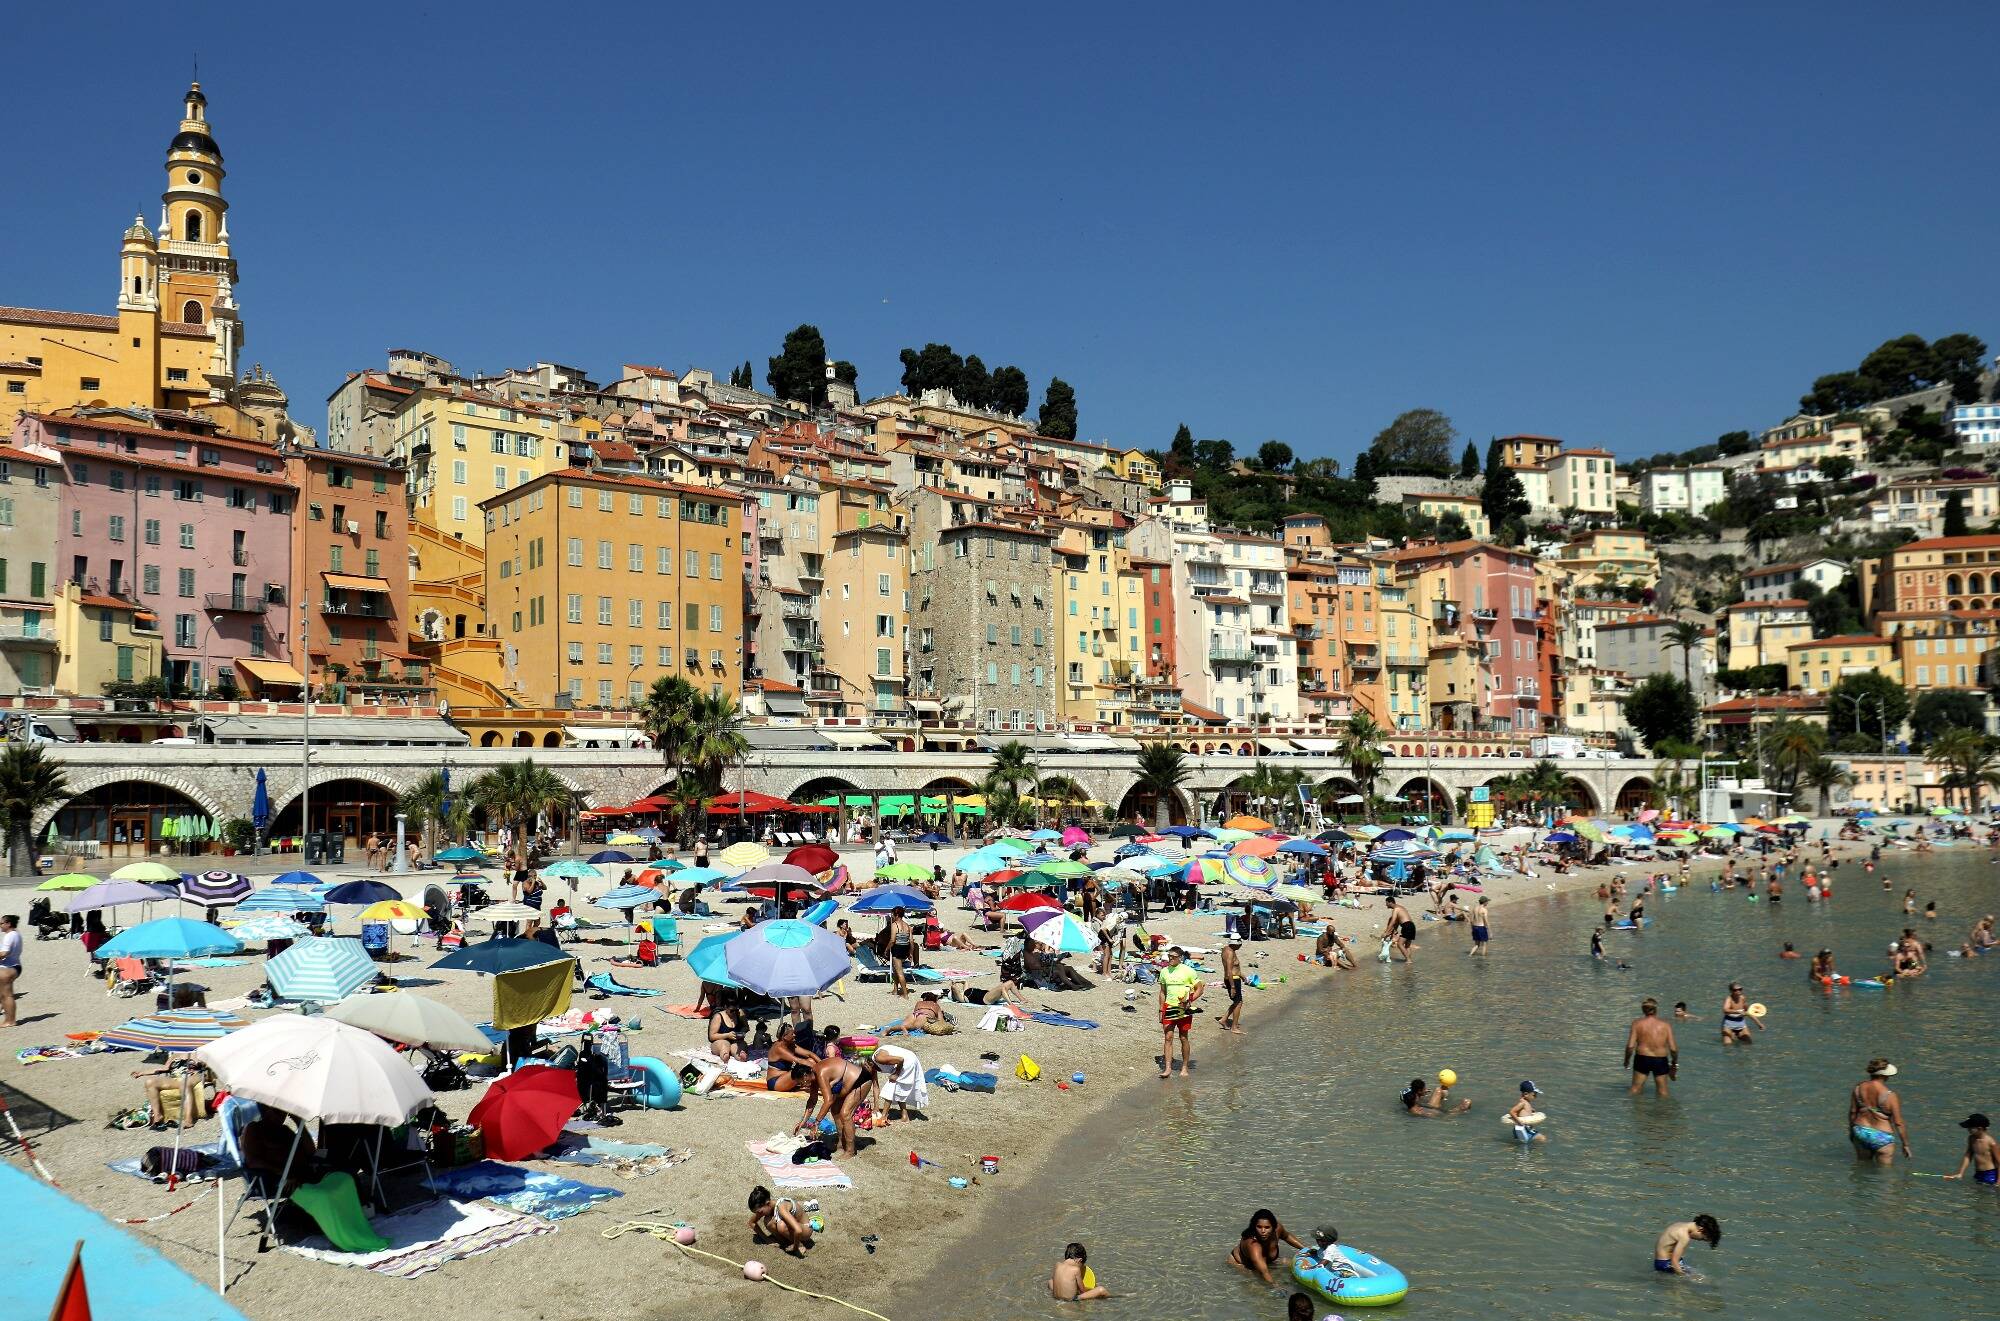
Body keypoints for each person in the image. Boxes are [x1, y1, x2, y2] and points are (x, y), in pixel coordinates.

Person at [1848, 1058, 1912, 1165]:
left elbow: (1853, 1112)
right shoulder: (1890, 1096)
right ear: (1884, 1075)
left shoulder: (1858, 1088)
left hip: (1860, 1132)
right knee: (1885, 1173)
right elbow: (1898, 1123)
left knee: (1863, 1166)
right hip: (1882, 1137)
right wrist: (1905, 1145)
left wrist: (1852, 1132)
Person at [1156, 945, 1203, 1079]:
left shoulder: (1188, 971)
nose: (1170, 959)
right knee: (1168, 1037)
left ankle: (1184, 1067)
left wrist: (1190, 1000)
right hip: (1169, 1007)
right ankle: (1168, 1068)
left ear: (1180, 958)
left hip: (1184, 1008)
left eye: (1174, 957)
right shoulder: (1164, 971)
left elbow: (1200, 988)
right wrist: (1161, 1008)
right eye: (1169, 956)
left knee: (1183, 1037)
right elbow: (1162, 992)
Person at [1228, 1208, 1304, 1284]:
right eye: (1259, 1227)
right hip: (1243, 1265)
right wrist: (1276, 1287)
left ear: (1273, 1227)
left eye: (1267, 1227)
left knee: (1295, 1264)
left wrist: (1305, 1248)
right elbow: (1264, 1272)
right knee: (1258, 1287)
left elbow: (1287, 1236)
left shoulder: (1277, 1229)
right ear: (1254, 1226)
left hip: (1267, 1262)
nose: (1263, 1231)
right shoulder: (1253, 1245)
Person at [1623, 998, 1678, 1097]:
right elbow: (1673, 1049)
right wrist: (1674, 1063)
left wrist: (1626, 1060)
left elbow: (1630, 1046)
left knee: (1635, 1089)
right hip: (1660, 1060)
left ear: (1643, 1010)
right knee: (1663, 1092)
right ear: (1656, 1010)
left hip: (1642, 1058)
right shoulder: (1665, 1025)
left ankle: (1634, 1111)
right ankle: (1664, 1112)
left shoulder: (1636, 1024)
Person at [747, 1185, 814, 1256]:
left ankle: (800, 1245)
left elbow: (798, 1230)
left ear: (767, 1203)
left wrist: (796, 1246)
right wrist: (766, 1239)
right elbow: (751, 1222)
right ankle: (786, 1242)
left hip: (806, 1228)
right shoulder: (767, 1207)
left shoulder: (781, 1207)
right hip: (796, 1230)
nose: (758, 1214)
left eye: (760, 1212)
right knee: (768, 1221)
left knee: (781, 1225)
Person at [1653, 1215, 1721, 1279]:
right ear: (1701, 1230)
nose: (1699, 1240)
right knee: (1694, 1281)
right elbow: (1674, 1261)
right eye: (1702, 1238)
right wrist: (1682, 1277)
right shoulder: (1684, 1236)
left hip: (1662, 1262)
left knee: (1698, 1276)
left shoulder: (1679, 1224)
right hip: (1665, 1264)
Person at [1943, 1113, 1998, 1185]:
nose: (1967, 1129)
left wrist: (1999, 1181)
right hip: (1978, 1174)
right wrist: (1960, 1173)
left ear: (1979, 1128)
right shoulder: (1971, 1138)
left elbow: (1999, 1162)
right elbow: (1968, 1155)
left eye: (1970, 1128)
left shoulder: (1991, 1143)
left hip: (1991, 1175)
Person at [761, 1022, 814, 1092]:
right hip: (775, 1081)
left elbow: (809, 1054)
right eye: (792, 1034)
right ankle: (822, 1082)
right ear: (784, 1036)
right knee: (802, 1069)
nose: (794, 1035)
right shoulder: (778, 1048)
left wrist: (821, 1063)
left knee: (811, 1060)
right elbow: (799, 1061)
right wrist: (818, 1068)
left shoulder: (790, 1044)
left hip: (785, 1076)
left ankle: (819, 1081)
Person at [881, 991, 955, 1036]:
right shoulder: (936, 1005)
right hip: (924, 1016)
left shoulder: (919, 1003)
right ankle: (905, 1029)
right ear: (935, 999)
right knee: (914, 1027)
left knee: (905, 1024)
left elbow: (915, 1011)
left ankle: (891, 1029)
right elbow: (940, 1020)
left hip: (914, 1014)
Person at [1400, 1075, 1470, 1116]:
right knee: (1467, 1102)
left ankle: (1444, 1093)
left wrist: (1422, 1093)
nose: (1426, 1089)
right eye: (1424, 1088)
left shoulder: (1410, 1101)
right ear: (1416, 1097)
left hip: (1431, 1108)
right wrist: (1461, 1108)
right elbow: (1445, 1115)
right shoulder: (1420, 1112)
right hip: (1445, 1113)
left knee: (1438, 1090)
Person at [707, 994, 749, 1062]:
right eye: (732, 1010)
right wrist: (727, 1035)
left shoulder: (739, 1013)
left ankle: (741, 1056)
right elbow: (712, 1036)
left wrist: (741, 1033)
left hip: (736, 1041)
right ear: (725, 1007)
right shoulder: (718, 1017)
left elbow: (746, 1027)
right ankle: (725, 1056)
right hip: (720, 1040)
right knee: (724, 1045)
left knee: (739, 1047)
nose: (734, 1012)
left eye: (736, 1010)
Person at [1219, 937, 1245, 1034]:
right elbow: (1229, 970)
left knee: (1236, 1001)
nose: (1240, 945)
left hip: (1232, 978)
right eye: (1239, 944)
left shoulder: (1227, 949)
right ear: (1235, 944)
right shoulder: (1230, 952)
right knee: (1239, 1002)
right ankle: (1234, 1027)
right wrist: (1233, 987)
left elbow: (1233, 968)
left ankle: (1223, 1019)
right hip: (1232, 980)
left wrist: (1242, 975)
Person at [1382, 895, 1417, 963]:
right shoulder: (1401, 908)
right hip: (1412, 925)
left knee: (1399, 944)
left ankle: (1408, 960)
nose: (1386, 906)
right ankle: (1408, 960)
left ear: (1390, 902)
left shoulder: (1396, 909)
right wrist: (1393, 932)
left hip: (1406, 926)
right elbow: (1397, 922)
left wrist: (1386, 932)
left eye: (1387, 904)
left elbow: (1393, 921)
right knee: (1407, 946)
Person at [0, 915, 20, 1028]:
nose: (0, 926)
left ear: (8, 924)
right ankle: (8, 1019)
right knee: (4, 995)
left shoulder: (10, 936)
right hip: (13, 966)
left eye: (1, 923)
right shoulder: (15, 934)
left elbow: (4, 953)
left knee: (7, 995)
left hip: (9, 967)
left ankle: (10, 1020)